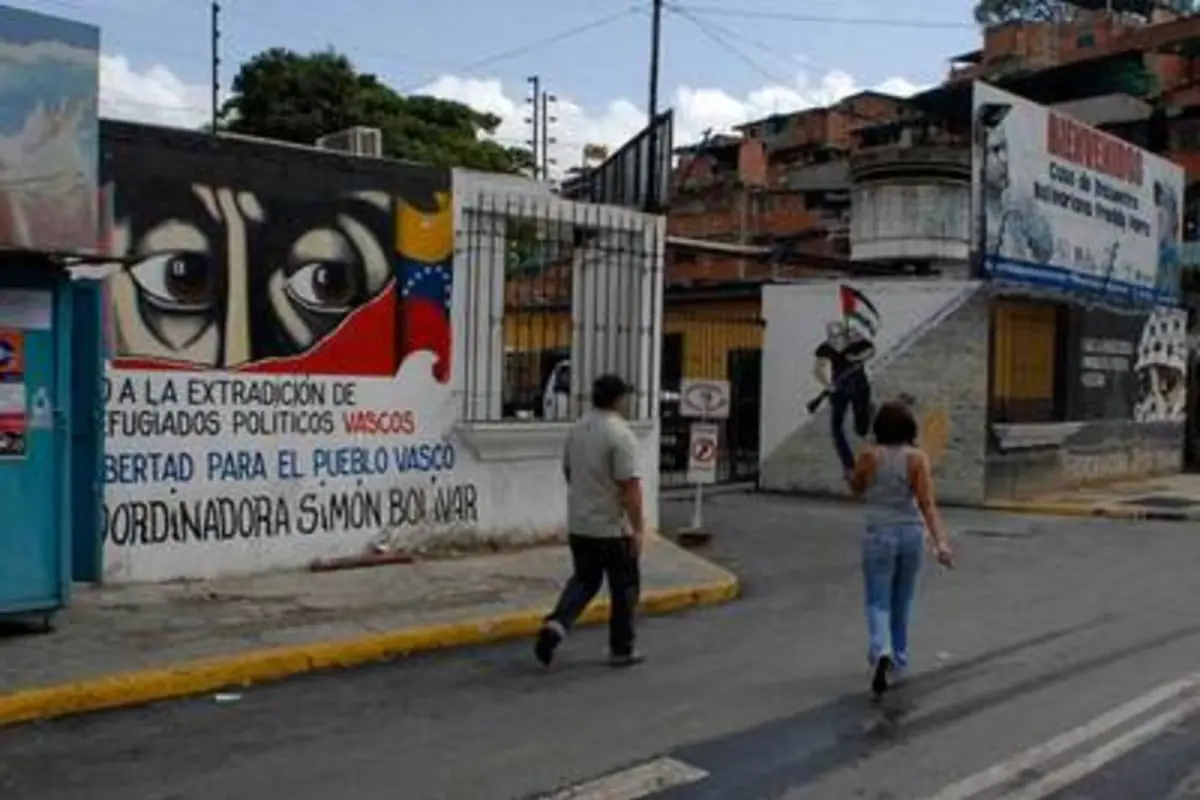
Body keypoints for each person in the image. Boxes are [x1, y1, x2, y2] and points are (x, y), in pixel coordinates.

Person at [535, 373, 645, 668]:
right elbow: (630, 487)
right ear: (618, 399)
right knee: (624, 588)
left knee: (584, 580)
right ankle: (622, 648)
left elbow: (568, 472)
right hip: (612, 527)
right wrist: (638, 529)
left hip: (581, 524)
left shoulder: (577, 429)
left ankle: (556, 625)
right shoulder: (620, 434)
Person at [848, 400, 953, 696]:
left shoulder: (869, 456)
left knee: (877, 600)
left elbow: (855, 488)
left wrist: (856, 474)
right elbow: (927, 504)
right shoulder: (917, 459)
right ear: (910, 427)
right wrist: (941, 543)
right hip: (911, 534)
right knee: (903, 599)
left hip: (878, 534)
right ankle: (899, 655)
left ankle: (881, 648)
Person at [813, 320, 875, 478]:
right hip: (839, 388)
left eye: (838, 336)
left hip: (859, 385)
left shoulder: (854, 338)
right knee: (837, 427)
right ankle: (849, 466)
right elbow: (818, 369)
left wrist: (856, 358)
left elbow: (871, 350)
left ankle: (868, 415)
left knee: (862, 428)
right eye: (832, 337)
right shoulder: (826, 347)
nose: (835, 341)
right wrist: (827, 385)